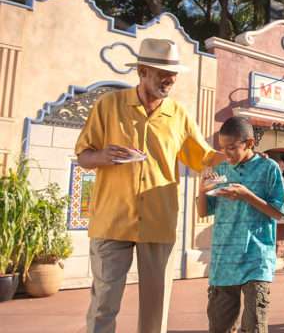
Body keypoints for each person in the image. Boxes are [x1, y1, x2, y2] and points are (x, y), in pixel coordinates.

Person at [75, 38, 224, 333]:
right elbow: (84, 156)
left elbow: (203, 157)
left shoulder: (178, 115)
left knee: (156, 308)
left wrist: (240, 155)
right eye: (161, 72)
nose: (169, 79)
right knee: (104, 303)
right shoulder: (109, 105)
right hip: (111, 221)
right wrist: (103, 156)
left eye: (173, 73)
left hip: (159, 221)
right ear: (142, 71)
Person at [197, 116, 284, 333]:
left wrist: (247, 195)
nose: (225, 153)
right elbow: (203, 211)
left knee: (254, 326)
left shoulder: (269, 169)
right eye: (222, 148)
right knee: (220, 327)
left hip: (256, 258)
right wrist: (201, 191)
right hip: (223, 260)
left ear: (249, 143)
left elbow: (278, 213)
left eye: (231, 148)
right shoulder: (221, 171)